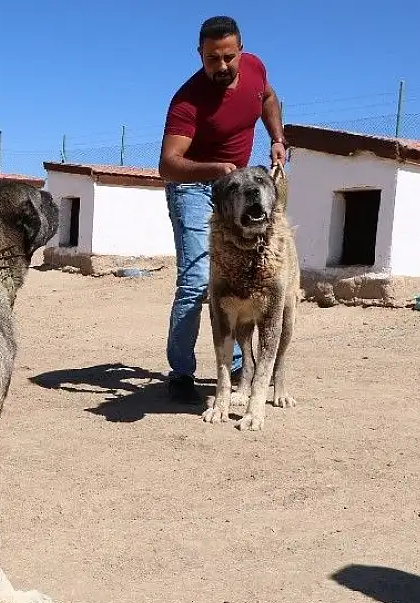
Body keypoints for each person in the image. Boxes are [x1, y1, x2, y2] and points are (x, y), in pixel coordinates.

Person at [157, 15, 287, 405]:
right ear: (200, 55)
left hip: (241, 188)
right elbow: (168, 163)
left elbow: (267, 98)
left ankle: (232, 364)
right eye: (212, 59)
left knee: (243, 275)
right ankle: (181, 372)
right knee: (199, 280)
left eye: (229, 56)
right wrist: (215, 169)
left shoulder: (255, 69)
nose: (222, 66)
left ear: (241, 51)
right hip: (194, 187)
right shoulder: (187, 100)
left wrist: (278, 138)